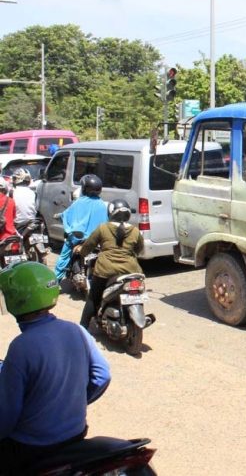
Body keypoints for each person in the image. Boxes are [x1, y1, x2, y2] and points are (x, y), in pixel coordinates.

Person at [0, 262, 111, 472]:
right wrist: (69, 403)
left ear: (16, 299)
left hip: (32, 445)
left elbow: (7, 413)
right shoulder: (76, 330)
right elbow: (102, 376)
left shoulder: (21, 347)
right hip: (76, 433)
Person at [77, 199, 144, 330]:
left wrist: (81, 252)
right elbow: (139, 249)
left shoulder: (103, 228)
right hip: (131, 270)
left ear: (111, 212)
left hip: (105, 270)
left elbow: (89, 245)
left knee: (93, 298)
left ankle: (83, 328)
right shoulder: (135, 231)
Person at [53, 174, 108, 282]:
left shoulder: (79, 202)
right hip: (97, 239)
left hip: (79, 238)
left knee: (64, 257)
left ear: (84, 188)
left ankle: (55, 281)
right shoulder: (102, 204)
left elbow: (67, 215)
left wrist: (59, 216)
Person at [11, 169, 36, 233]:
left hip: (19, 224)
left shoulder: (13, 193)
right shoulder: (33, 192)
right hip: (33, 222)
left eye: (14, 178)